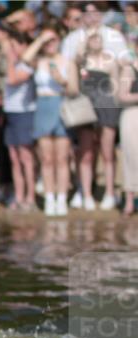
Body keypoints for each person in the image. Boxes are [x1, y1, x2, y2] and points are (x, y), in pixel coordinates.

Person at [24, 28, 74, 216]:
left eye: (53, 40)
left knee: (61, 158)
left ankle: (62, 198)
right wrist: (40, 39)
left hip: (60, 104)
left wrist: (62, 81)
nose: (50, 44)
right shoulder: (41, 62)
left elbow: (74, 89)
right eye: (47, 41)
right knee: (46, 158)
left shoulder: (67, 62)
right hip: (43, 106)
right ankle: (49, 197)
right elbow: (25, 58)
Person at [75, 29, 122, 211]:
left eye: (98, 38)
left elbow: (116, 90)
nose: (96, 40)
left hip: (106, 108)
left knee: (107, 152)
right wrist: (86, 36)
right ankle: (86, 194)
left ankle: (110, 193)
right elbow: (77, 56)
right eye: (92, 38)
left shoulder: (110, 61)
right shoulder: (82, 60)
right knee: (86, 153)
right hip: (86, 110)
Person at [1, 31, 38, 212]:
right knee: (14, 158)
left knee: (26, 157)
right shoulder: (13, 64)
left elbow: (13, 79)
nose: (12, 50)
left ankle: (30, 197)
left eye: (15, 46)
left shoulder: (28, 65)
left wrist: (9, 59)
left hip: (25, 113)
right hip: (10, 113)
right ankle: (19, 194)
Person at [118, 48, 138, 216]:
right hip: (133, 116)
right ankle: (130, 202)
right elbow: (122, 96)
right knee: (131, 158)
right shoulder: (129, 68)